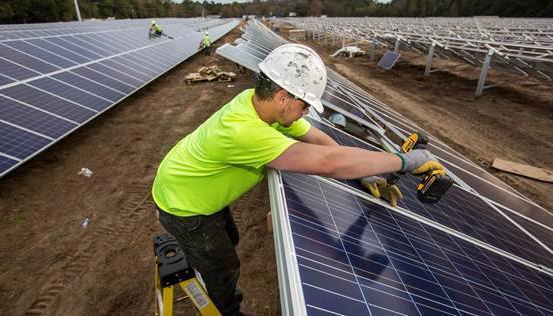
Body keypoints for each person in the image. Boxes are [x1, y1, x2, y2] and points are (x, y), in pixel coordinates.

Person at [152, 44, 442, 315]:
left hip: (197, 186)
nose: (305, 113)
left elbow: (317, 139)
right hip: (183, 203)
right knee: (223, 266)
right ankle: (228, 310)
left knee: (230, 238)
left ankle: (202, 257)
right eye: (304, 106)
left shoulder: (254, 102)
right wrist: (406, 161)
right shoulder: (244, 131)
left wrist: (366, 172)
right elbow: (327, 163)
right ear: (282, 97)